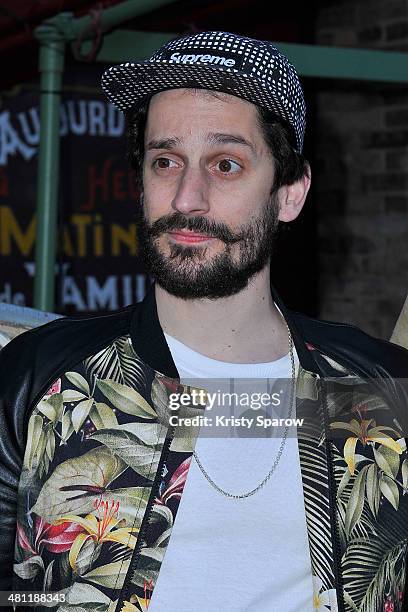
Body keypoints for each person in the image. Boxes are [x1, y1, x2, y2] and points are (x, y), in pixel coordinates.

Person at [1, 30, 408, 612]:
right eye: (165, 160)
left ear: (290, 193)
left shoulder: (382, 392)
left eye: (226, 163)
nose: (188, 196)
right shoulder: (38, 380)